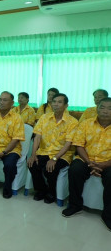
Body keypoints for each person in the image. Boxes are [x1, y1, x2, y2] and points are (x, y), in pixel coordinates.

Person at [62, 98, 111, 231]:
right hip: (86, 158)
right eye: (102, 107)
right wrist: (89, 162)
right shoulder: (86, 124)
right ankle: (75, 205)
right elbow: (79, 145)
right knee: (75, 170)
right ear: (97, 108)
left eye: (110, 108)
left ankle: (108, 215)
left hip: (108, 162)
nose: (106, 111)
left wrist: (104, 165)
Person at [27, 93, 78, 204]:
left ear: (66, 105)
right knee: (32, 164)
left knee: (50, 169)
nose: (56, 104)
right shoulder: (44, 118)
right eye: (54, 102)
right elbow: (37, 137)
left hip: (63, 154)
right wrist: (33, 154)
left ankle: (51, 192)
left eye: (60, 102)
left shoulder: (72, 122)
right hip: (44, 151)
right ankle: (41, 190)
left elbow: (68, 144)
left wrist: (54, 159)